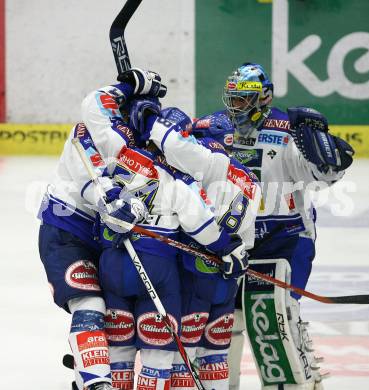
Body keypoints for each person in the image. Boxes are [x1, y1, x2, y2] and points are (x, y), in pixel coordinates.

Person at [219, 63, 355, 389]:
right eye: (232, 99)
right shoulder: (218, 128)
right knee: (227, 320)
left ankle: (301, 382)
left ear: (262, 98)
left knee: (277, 317)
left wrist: (319, 143)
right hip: (236, 242)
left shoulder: (286, 132)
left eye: (242, 100)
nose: (235, 107)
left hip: (287, 238)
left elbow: (327, 174)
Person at [37, 68, 168, 390]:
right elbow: (91, 182)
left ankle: (88, 374)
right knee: (89, 306)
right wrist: (128, 84)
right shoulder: (89, 131)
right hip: (66, 229)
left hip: (109, 239)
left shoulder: (145, 149)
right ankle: (97, 384)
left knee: (116, 318)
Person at [94, 127, 249, 390]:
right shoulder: (180, 179)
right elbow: (201, 226)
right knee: (159, 355)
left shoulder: (120, 160)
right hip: (157, 272)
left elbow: (94, 191)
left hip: (112, 265)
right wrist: (226, 247)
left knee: (118, 352)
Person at [127, 105, 261, 390]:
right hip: (227, 281)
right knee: (215, 356)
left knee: (181, 357)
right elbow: (245, 237)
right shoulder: (251, 179)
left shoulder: (196, 167)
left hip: (193, 275)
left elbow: (196, 222)